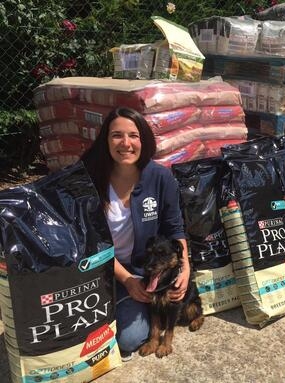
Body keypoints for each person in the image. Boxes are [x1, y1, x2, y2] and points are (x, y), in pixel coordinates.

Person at [81, 106, 190, 361]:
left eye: (133, 135)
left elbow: (174, 228)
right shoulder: (90, 178)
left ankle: (119, 307)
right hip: (100, 269)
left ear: (144, 140)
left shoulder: (160, 178)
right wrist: (126, 279)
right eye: (117, 135)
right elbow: (88, 240)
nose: (126, 143)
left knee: (130, 339)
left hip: (144, 270)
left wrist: (185, 268)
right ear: (106, 140)